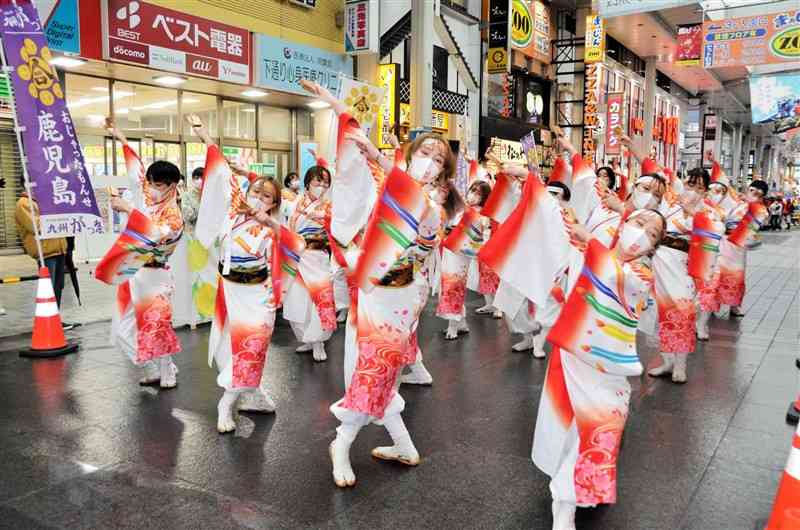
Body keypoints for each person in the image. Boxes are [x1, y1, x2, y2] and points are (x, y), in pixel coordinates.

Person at [301, 78, 460, 488]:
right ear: (409, 154)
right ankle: (343, 442)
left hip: (403, 297)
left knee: (382, 370)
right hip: (373, 293)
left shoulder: (434, 204)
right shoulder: (385, 180)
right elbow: (357, 146)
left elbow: (419, 214)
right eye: (424, 152)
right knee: (375, 368)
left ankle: (398, 443)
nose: (430, 161)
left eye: (438, 159)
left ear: (445, 172)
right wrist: (335, 102)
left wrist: (381, 159)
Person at [532, 206, 666, 530]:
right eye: (638, 223)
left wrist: (587, 237)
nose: (641, 235)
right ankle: (565, 506)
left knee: (600, 430)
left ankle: (570, 496)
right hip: (573, 356)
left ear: (653, 248)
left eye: (651, 234)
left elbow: (612, 275)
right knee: (568, 429)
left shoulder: (641, 275)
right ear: (623, 224)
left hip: (609, 368)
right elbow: (562, 262)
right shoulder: (591, 251)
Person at [189, 114, 284, 433]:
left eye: (267, 196)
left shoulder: (274, 228)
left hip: (260, 296)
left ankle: (227, 401)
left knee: (253, 344)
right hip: (230, 291)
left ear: (273, 204)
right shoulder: (233, 211)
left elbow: (291, 248)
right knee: (237, 346)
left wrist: (273, 224)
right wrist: (205, 137)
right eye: (255, 191)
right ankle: (248, 394)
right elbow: (222, 171)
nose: (259, 197)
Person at [99, 119, 183, 388]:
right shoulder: (148, 194)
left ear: (171, 186)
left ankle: (166, 370)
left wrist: (128, 209)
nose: (151, 189)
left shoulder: (174, 215)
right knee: (122, 329)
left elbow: (156, 233)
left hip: (157, 277)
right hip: (133, 271)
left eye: (158, 185)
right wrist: (118, 134)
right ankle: (151, 364)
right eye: (150, 183)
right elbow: (136, 166)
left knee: (158, 326)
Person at [647, 167, 724, 383]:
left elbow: (715, 232)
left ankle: (680, 366)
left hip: (682, 267)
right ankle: (667, 360)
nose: (693, 191)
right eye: (691, 184)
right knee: (656, 316)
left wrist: (691, 212)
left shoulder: (708, 212)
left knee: (681, 315)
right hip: (658, 261)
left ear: (705, 191)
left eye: (699, 187)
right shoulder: (670, 202)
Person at [282, 164, 337, 362]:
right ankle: (307, 338)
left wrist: (326, 218)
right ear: (308, 183)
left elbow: (338, 230)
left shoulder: (329, 207)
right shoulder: (294, 202)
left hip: (318, 258)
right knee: (297, 300)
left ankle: (319, 341)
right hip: (297, 257)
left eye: (325, 182)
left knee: (318, 300)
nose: (322, 185)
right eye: (318, 181)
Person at [15, 192, 74, 329]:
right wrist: (54, 215)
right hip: (45, 251)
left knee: (58, 286)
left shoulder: (46, 199)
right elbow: (34, 226)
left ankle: (55, 319)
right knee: (49, 288)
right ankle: (47, 322)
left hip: (59, 248)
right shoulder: (23, 203)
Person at [170, 166, 219, 327]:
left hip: (211, 241)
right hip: (193, 240)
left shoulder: (212, 196)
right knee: (195, 277)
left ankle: (211, 312)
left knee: (212, 275)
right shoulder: (187, 196)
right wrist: (204, 208)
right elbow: (188, 216)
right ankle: (195, 316)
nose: (200, 181)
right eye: (198, 177)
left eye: (203, 178)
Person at [716, 179, 769, 318]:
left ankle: (735, 306)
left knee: (737, 275)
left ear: (762, 196)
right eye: (751, 190)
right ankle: (714, 303)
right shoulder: (737, 202)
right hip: (723, 241)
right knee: (718, 274)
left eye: (757, 193)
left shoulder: (760, 210)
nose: (753, 194)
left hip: (738, 246)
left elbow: (752, 227)